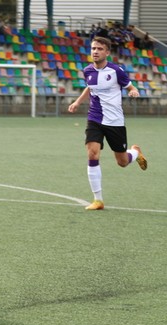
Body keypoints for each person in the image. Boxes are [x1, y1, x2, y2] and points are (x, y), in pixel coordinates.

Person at [67, 36, 147, 211]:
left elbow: (130, 87)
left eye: (99, 49)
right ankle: (98, 200)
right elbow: (90, 87)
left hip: (115, 121)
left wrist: (133, 92)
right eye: (93, 48)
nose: (95, 51)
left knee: (122, 162)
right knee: (92, 154)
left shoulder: (116, 71)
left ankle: (135, 152)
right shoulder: (87, 70)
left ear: (107, 52)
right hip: (94, 118)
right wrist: (78, 102)